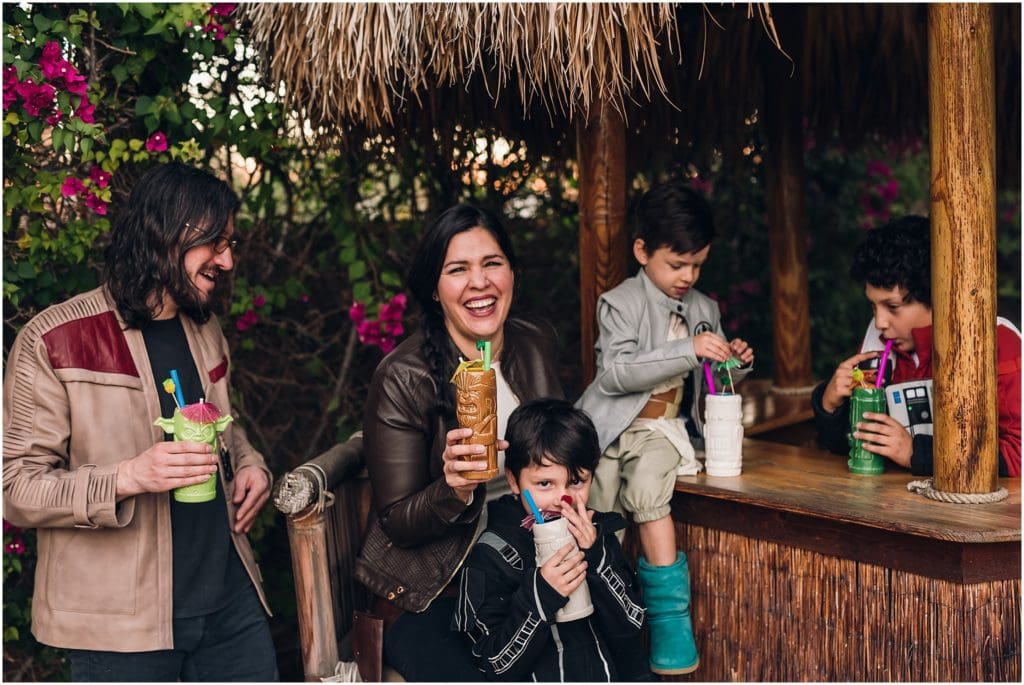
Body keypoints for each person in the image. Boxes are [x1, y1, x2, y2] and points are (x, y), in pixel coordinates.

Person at [2, 162, 277, 681]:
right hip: (119, 628)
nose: (228, 260)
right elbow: (16, 487)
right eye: (216, 243)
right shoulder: (52, 339)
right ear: (168, 233)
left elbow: (221, 423)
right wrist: (128, 478)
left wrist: (249, 463)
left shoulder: (206, 329)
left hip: (229, 604)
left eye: (229, 244)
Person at [353, 204, 564, 681]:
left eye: (492, 263)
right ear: (435, 287)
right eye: (458, 269)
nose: (480, 282)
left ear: (512, 271)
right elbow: (398, 522)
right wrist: (454, 487)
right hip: (434, 592)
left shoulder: (536, 344)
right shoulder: (403, 377)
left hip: (527, 569)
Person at [576, 182, 754, 675]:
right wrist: (687, 351)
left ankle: (671, 620)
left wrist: (733, 363)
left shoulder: (705, 310)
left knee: (651, 487)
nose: (688, 276)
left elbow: (711, 379)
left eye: (697, 265)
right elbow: (616, 373)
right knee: (596, 506)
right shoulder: (620, 303)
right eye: (677, 264)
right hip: (611, 428)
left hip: (664, 432)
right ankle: (597, 608)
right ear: (642, 251)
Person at [451, 398, 652, 682]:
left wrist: (596, 559)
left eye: (577, 482)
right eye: (545, 484)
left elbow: (633, 627)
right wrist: (541, 596)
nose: (562, 499)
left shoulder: (596, 535)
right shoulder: (491, 555)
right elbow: (493, 664)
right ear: (513, 481)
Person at [812, 215, 1021, 477]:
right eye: (873, 306)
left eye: (893, 307)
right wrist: (831, 404)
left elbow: (1018, 455)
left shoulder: (997, 344)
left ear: (939, 296)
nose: (879, 322)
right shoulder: (876, 347)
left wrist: (917, 453)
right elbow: (851, 446)